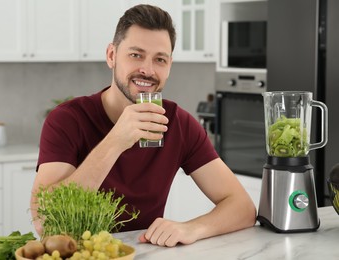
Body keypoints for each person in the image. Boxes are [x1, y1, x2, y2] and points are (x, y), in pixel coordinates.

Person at [31, 4, 256, 247]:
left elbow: (242, 207)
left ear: (169, 65)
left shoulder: (179, 123)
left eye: (160, 59)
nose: (147, 70)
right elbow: (45, 221)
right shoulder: (67, 120)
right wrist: (116, 141)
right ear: (111, 56)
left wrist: (192, 228)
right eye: (136, 55)